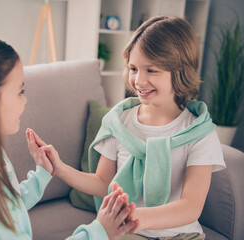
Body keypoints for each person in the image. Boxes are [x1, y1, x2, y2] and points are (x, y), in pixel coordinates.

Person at [0, 33, 137, 239]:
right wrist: (100, 231)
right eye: (20, 92)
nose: (24, 101)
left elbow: (9, 204)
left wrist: (43, 173)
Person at [30, 16, 226, 239]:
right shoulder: (119, 122)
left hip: (181, 235)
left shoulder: (199, 132)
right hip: (127, 232)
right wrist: (59, 169)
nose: (139, 81)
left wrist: (136, 216)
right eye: (133, 68)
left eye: (151, 70)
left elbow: (191, 207)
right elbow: (104, 183)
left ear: (180, 71)